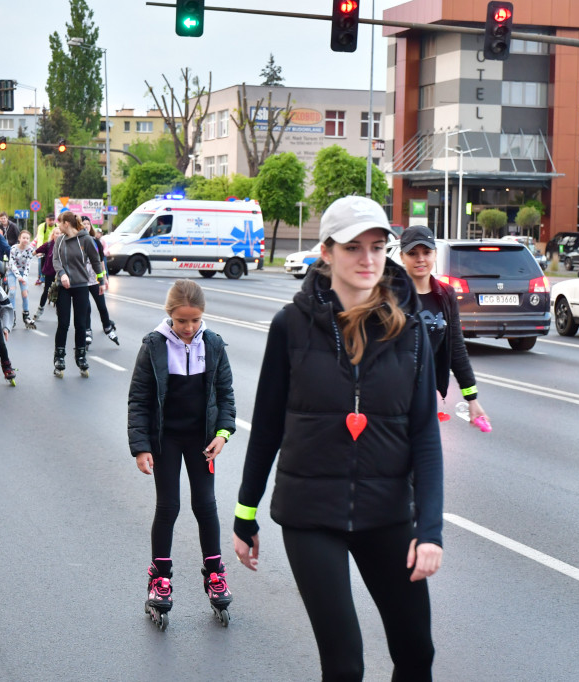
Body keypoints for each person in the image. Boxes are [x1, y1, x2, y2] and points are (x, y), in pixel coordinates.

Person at [232, 196, 444, 680]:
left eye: (377, 247)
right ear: (326, 252)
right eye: (353, 248)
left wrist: (429, 530)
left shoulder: (410, 335)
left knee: (416, 652)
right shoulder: (290, 326)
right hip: (311, 515)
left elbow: (425, 439)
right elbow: (266, 425)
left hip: (387, 512)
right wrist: (246, 512)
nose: (368, 260)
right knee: (345, 662)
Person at [127, 279, 236, 628]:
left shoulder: (214, 344)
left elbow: (226, 395)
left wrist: (222, 435)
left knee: (206, 504)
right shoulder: (154, 346)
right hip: (167, 440)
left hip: (202, 440)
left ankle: (215, 573)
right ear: (169, 315)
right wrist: (141, 447)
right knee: (169, 506)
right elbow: (139, 399)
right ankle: (160, 578)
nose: (189, 328)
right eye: (181, 321)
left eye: (195, 320)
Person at [398, 225, 488, 425]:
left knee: (425, 453)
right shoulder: (393, 295)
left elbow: (456, 347)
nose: (420, 259)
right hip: (393, 397)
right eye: (412, 253)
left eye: (426, 252)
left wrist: (471, 398)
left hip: (427, 394)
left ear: (435, 254)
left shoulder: (445, 294)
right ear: (402, 257)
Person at [50, 212, 104, 377]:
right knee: (63, 323)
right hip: (64, 287)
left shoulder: (86, 240)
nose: (57, 226)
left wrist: (101, 281)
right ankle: (59, 358)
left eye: (59, 223)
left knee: (81, 324)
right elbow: (56, 260)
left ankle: (81, 357)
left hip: (81, 286)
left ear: (66, 223)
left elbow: (96, 260)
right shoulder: (59, 241)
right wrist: (62, 274)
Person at [81, 217, 118, 346]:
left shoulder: (96, 242)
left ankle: (107, 326)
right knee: (86, 308)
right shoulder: (76, 241)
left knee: (101, 305)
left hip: (95, 280)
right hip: (82, 281)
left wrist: (104, 278)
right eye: (83, 224)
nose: (86, 226)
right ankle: (87, 331)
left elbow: (101, 261)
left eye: (88, 224)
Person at [8, 230, 37, 329]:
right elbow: (12, 264)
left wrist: (23, 277)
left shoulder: (30, 250)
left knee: (25, 293)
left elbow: (28, 265)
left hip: (23, 273)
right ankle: (12, 315)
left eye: (28, 238)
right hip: (12, 272)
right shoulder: (13, 248)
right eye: (24, 238)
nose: (25, 240)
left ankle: (26, 315)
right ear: (19, 238)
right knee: (12, 292)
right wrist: (18, 276)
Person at [33, 227, 60, 321]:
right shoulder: (49, 245)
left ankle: (60, 312)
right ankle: (40, 310)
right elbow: (36, 251)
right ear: (53, 235)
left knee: (61, 293)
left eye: (60, 233)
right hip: (50, 272)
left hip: (61, 273)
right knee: (46, 290)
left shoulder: (65, 245)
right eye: (56, 233)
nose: (58, 235)